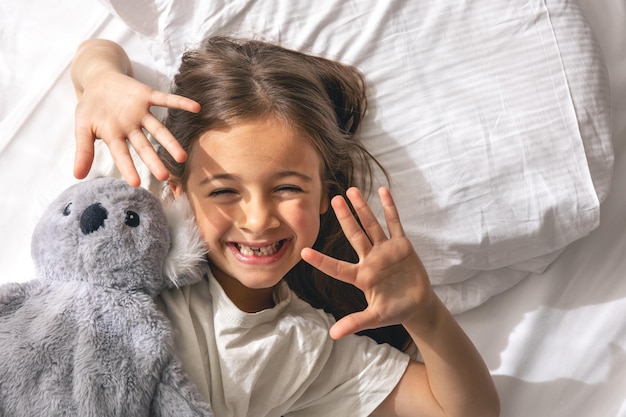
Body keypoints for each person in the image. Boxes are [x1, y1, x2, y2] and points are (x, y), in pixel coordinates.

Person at [71, 37, 500, 417]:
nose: (257, 220)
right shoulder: (131, 217)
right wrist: (101, 79)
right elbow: (96, 52)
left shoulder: (304, 348)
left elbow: (466, 411)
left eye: (287, 188)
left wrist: (424, 315)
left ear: (322, 195)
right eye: (224, 191)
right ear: (177, 191)